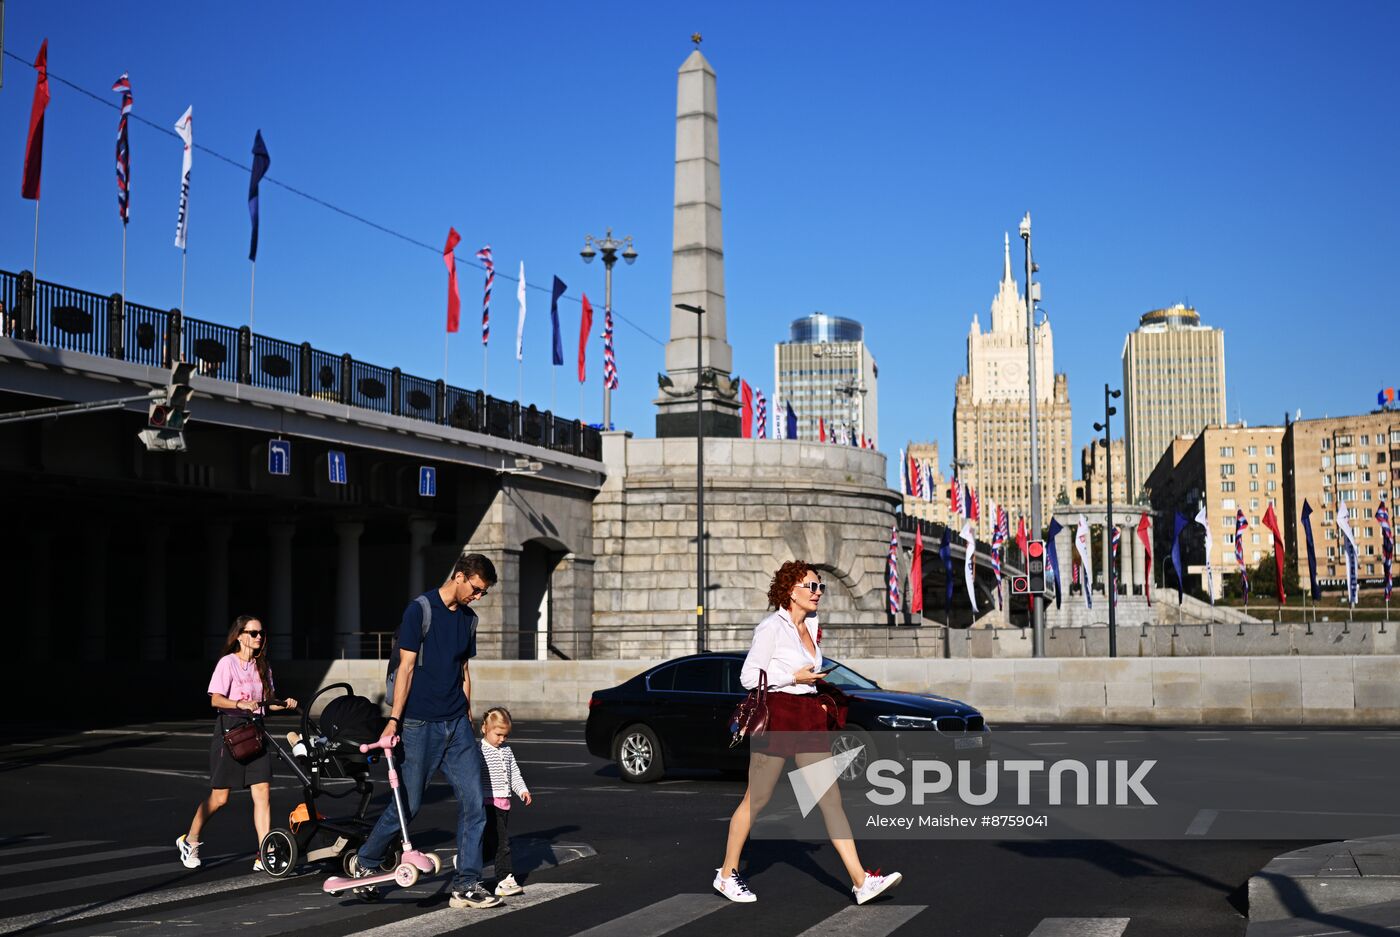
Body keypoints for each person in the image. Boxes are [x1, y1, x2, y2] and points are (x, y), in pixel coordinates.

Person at [713, 561, 902, 906]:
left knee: (831, 800)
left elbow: (808, 670)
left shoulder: (812, 626)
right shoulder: (771, 627)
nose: (817, 593)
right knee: (757, 800)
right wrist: (793, 679)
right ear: (790, 591)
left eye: (820, 587)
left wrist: (817, 692)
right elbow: (747, 677)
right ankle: (726, 874)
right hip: (780, 714)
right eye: (811, 587)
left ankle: (861, 882)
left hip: (807, 716)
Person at [350, 553, 501, 909]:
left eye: (483, 593)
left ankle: (467, 883)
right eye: (476, 589)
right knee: (410, 803)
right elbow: (405, 668)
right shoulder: (420, 610)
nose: (477, 597)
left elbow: (463, 670)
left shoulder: (469, 620)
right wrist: (394, 719)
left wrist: (467, 714)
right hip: (419, 724)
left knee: (473, 802)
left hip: (456, 726)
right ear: (460, 576)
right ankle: (366, 863)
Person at [177, 616, 298, 871]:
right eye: (253, 633)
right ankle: (190, 840)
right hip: (231, 732)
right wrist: (239, 704)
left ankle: (264, 853)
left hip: (256, 732)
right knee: (220, 798)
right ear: (240, 635)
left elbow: (267, 702)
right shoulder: (227, 663)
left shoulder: (262, 667)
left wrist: (283, 703)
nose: (259, 638)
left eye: (261, 634)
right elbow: (216, 700)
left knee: (262, 792)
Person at [478, 707, 533, 896]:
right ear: (485, 728)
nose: (502, 739)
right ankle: (504, 879)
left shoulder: (507, 751)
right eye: (498, 734)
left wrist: (522, 790)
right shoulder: (480, 750)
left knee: (491, 844)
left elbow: (514, 773)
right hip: (488, 804)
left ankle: (466, 861)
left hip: (504, 804)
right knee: (502, 844)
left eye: (505, 736)